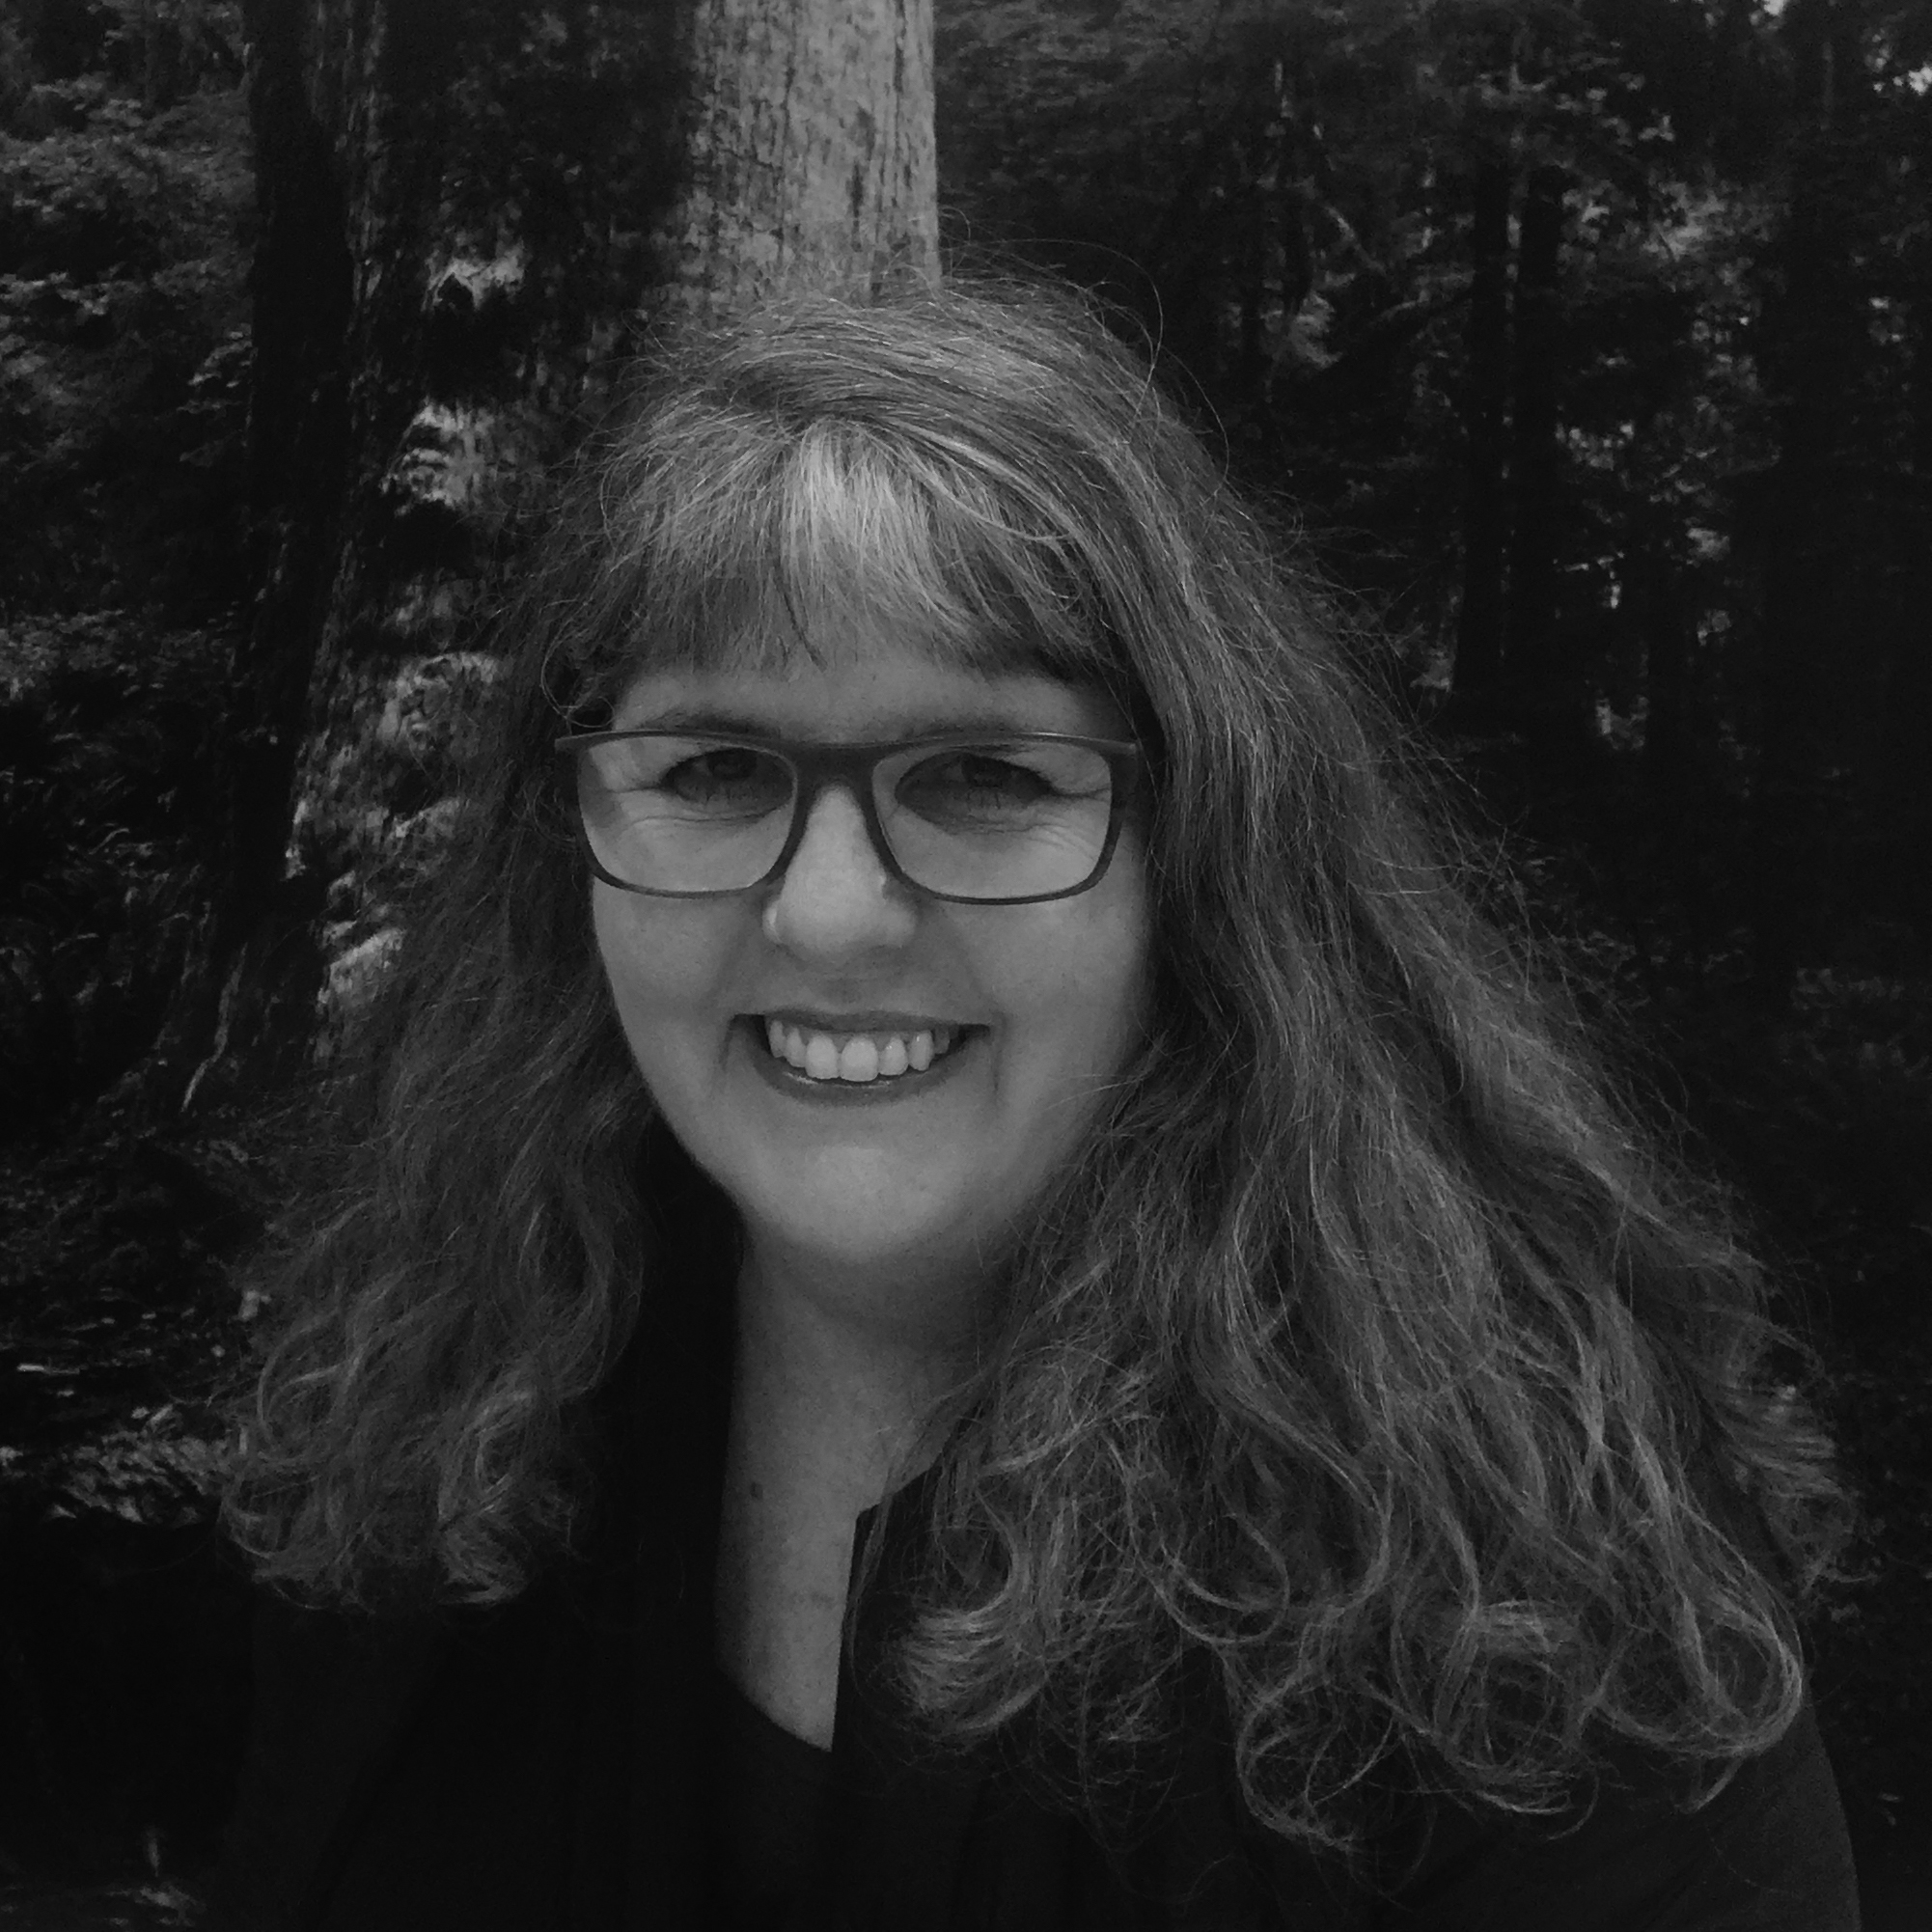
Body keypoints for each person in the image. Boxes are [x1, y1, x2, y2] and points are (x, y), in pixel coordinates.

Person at [207, 282, 1861, 1931]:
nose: (830, 914)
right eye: (713, 769)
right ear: (566, 842)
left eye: (984, 775)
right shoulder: (429, 1445)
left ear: (1202, 862)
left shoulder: (1534, 1634)